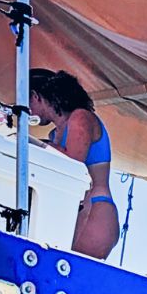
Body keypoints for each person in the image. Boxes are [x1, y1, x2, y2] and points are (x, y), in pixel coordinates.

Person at [29, 69, 120, 259]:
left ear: (35, 96)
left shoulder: (80, 117)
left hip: (95, 209)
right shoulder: (56, 133)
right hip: (75, 207)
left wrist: (34, 143)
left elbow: (73, 162)